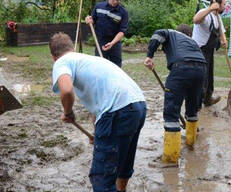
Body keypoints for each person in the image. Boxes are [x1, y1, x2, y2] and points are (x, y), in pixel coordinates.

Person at [49, 32, 146, 192]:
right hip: (138, 105)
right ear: (72, 48)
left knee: (102, 180)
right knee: (123, 165)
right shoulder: (91, 60)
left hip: (117, 111)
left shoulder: (61, 62)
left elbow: (66, 91)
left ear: (53, 56)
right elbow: (99, 105)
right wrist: (97, 133)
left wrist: (68, 113)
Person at [144, 24, 207, 164]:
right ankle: (190, 142)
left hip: (181, 67)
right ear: (189, 34)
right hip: (201, 69)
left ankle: (170, 159)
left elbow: (158, 33)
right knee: (192, 107)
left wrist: (149, 56)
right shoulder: (192, 42)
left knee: (171, 113)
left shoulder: (171, 33)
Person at [192, 0, 227, 107]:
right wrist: (210, 8)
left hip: (209, 50)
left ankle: (208, 99)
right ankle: (196, 103)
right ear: (217, 4)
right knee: (201, 77)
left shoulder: (218, 17)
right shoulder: (205, 12)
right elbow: (195, 20)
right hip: (199, 50)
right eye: (224, 4)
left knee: (209, 77)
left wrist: (224, 40)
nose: (225, 7)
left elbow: (221, 31)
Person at [85, 0, 128, 67]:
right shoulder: (99, 6)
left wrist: (112, 43)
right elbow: (93, 20)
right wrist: (89, 20)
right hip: (100, 42)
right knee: (100, 66)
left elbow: (122, 31)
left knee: (116, 67)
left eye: (118, 0)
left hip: (115, 44)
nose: (115, 2)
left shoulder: (123, 12)